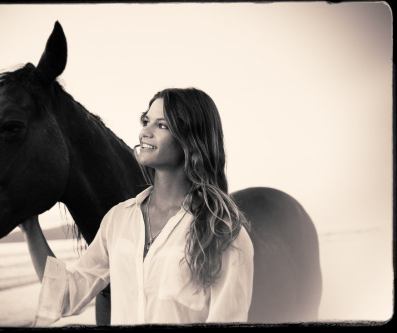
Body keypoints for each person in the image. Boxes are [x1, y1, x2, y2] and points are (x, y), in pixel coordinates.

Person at [20, 87, 254, 326]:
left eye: (162, 125)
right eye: (146, 121)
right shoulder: (118, 219)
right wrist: (30, 228)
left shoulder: (225, 233)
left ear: (192, 141)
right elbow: (65, 297)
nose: (145, 132)